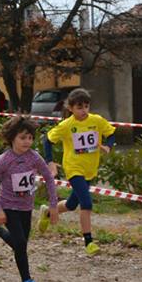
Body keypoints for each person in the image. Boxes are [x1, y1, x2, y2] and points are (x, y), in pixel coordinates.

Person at [0, 117, 59, 282]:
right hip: (8, 206)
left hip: (26, 207)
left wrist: (53, 205)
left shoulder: (34, 157)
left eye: (30, 138)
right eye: (23, 137)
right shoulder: (3, 161)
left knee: (20, 244)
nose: (27, 142)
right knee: (21, 244)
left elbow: (48, 178)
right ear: (12, 138)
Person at [41, 88, 116, 255]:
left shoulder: (96, 120)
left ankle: (47, 212)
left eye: (86, 106)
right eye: (79, 107)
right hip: (73, 168)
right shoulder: (67, 125)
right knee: (87, 203)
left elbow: (111, 133)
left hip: (90, 169)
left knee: (71, 204)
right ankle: (89, 242)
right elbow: (47, 140)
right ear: (71, 108)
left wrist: (108, 147)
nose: (84, 111)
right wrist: (50, 162)